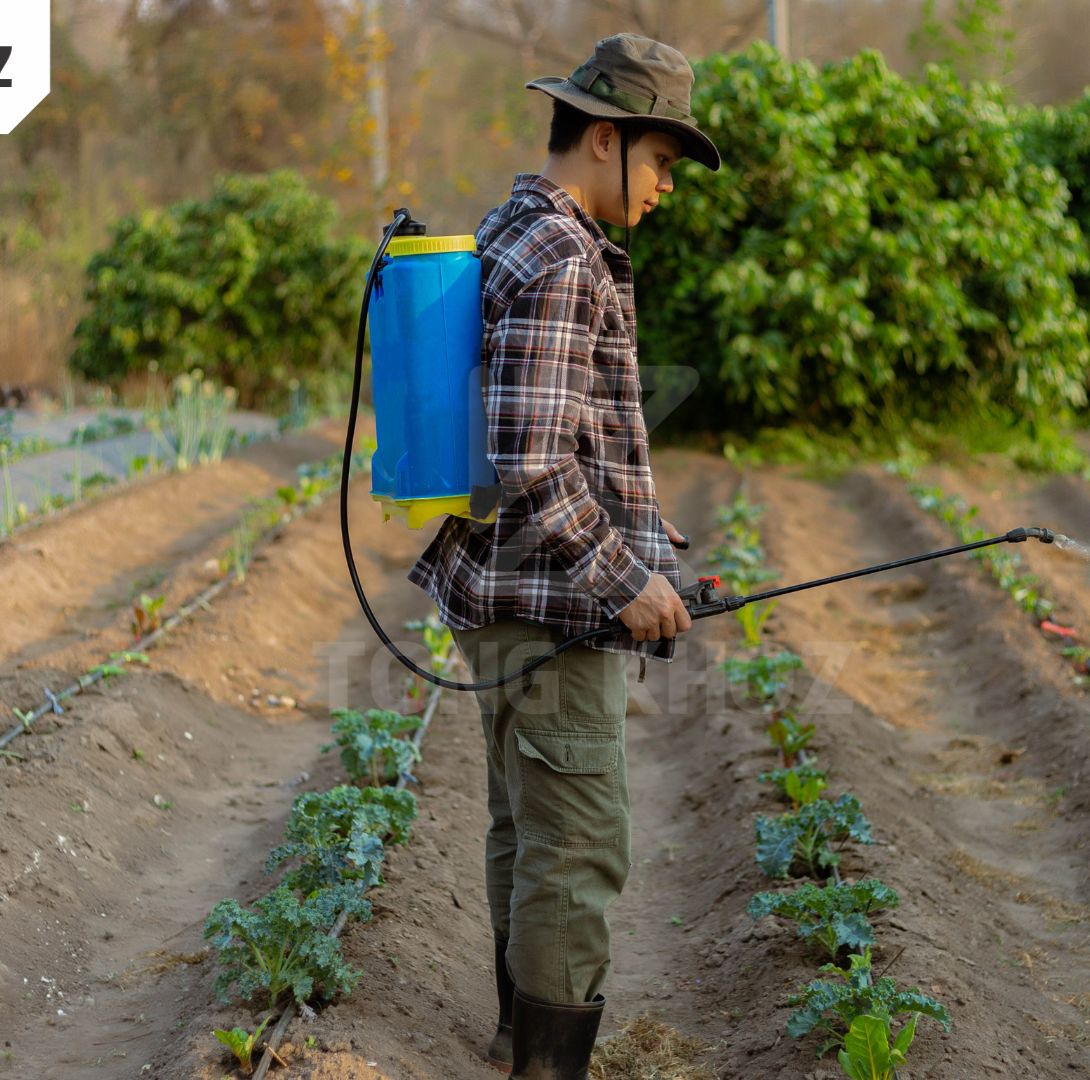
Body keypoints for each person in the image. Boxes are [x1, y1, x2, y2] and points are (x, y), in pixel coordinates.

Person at [404, 31, 721, 1080]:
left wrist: (657, 560)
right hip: (548, 610)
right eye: (663, 161)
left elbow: (569, 442)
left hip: (511, 600)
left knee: (528, 828)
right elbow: (535, 460)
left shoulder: (516, 230)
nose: (667, 185)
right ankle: (550, 1066)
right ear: (602, 137)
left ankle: (515, 1042)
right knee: (578, 840)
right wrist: (625, 584)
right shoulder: (560, 256)